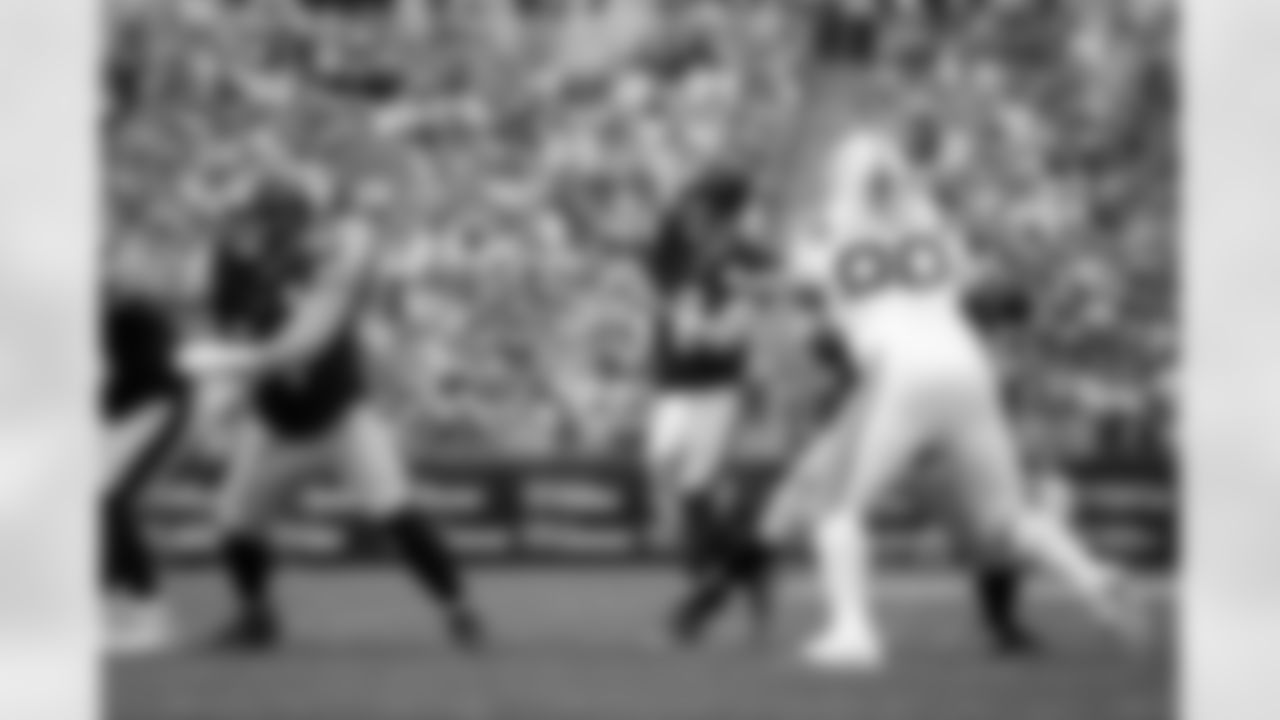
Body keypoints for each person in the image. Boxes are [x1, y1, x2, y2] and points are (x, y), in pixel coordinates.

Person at [758, 6, 1147, 671]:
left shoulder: (821, 235)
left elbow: (801, 273)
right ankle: (1094, 578)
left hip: (899, 371)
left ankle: (853, 632)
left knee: (836, 510)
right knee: (1007, 518)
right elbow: (951, 259)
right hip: (967, 363)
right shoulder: (934, 228)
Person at [179, 177, 486, 650]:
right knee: (235, 522)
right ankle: (256, 615)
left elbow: (298, 339)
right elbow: (229, 327)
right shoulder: (241, 267)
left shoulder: (323, 263)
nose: (274, 228)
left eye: (280, 218)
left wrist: (237, 352)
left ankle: (458, 607)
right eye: (269, 218)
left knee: (395, 510)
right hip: (277, 422)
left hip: (339, 416)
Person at [643, 169, 778, 645]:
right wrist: (689, 315)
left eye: (701, 206)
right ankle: (750, 569)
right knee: (669, 478)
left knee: (694, 489)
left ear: (723, 214)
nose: (690, 213)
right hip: (672, 384)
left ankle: (706, 594)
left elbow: (754, 312)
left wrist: (722, 327)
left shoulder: (750, 256)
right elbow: (668, 290)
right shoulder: (675, 247)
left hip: (716, 386)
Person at [101, 244, 194, 656]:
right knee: (100, 504)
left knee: (109, 500)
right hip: (135, 409)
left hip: (154, 407)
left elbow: (146, 376)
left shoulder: (136, 316)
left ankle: (147, 612)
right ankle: (121, 609)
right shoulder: (118, 313)